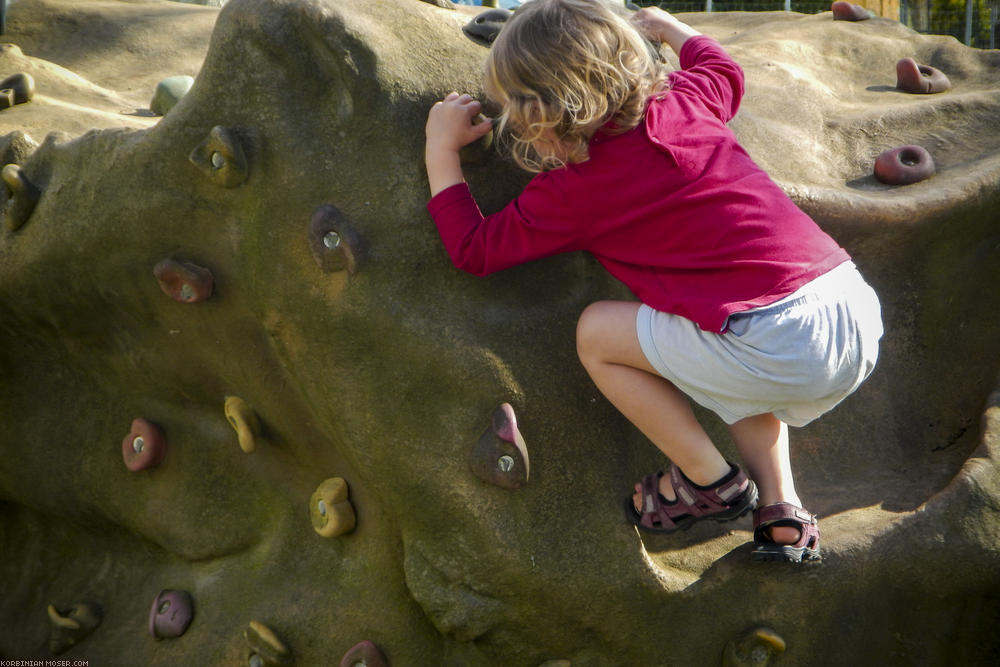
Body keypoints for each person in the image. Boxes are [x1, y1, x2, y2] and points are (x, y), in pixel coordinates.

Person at [424, 0, 882, 563]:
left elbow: (474, 250)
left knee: (598, 333)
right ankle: (782, 509)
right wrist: (667, 26)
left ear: (538, 115)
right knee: (727, 354)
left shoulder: (574, 191)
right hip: (849, 306)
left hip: (778, 339)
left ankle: (709, 482)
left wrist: (440, 149)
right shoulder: (686, 101)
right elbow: (723, 71)